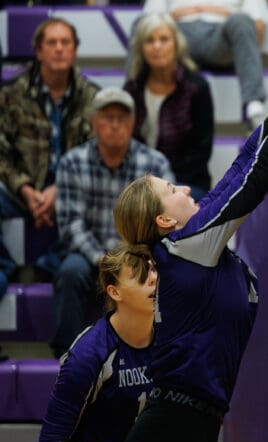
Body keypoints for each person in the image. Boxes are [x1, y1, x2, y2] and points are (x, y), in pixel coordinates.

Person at [113, 12, 268, 442]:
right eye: (171, 190)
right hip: (172, 430)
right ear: (164, 221)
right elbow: (264, 170)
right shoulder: (188, 245)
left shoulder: (191, 244)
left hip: (192, 426)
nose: (183, 187)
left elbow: (250, 154)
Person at [51, 87, 174, 359]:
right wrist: (102, 259)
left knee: (170, 267)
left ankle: (163, 351)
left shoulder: (154, 164)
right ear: (93, 122)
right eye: (107, 117)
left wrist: (133, 259)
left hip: (141, 254)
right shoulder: (72, 162)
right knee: (70, 271)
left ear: (132, 123)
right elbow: (71, 224)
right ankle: (66, 357)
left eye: (122, 118)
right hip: (90, 256)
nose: (115, 124)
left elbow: (166, 223)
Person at [0, 17, 99, 293]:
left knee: (109, 193)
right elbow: (1, 153)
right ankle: (2, 268)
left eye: (65, 42)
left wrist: (59, 189)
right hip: (21, 191)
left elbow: (96, 153)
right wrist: (25, 189)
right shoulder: (11, 94)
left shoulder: (93, 98)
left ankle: (52, 263)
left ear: (74, 50)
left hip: (73, 192)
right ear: (38, 51)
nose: (59, 48)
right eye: (51, 43)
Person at [39, 243, 156, 442]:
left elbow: (181, 417)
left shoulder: (173, 338)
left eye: (154, 270)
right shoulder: (88, 354)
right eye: (140, 276)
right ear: (115, 292)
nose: (154, 279)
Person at [124, 12, 214, 201]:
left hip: (186, 182)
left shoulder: (196, 87)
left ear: (176, 44)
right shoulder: (132, 89)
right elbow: (127, 145)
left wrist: (164, 184)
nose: (157, 46)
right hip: (139, 183)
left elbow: (201, 151)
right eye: (150, 40)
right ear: (141, 48)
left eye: (164, 39)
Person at [141, 0, 268, 128]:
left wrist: (228, 15)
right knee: (142, 25)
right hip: (177, 34)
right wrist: (170, 18)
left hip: (221, 37)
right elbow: (148, 20)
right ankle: (132, 99)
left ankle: (254, 107)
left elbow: (258, 29)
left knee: (241, 21)